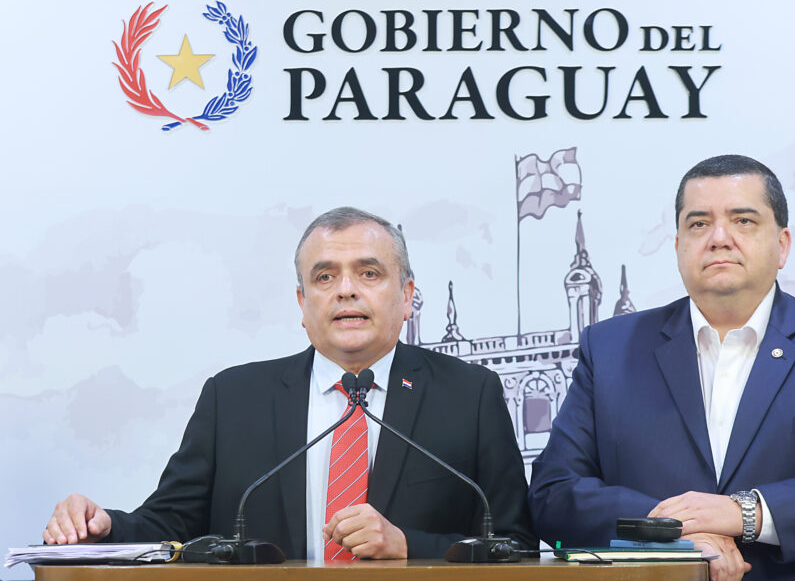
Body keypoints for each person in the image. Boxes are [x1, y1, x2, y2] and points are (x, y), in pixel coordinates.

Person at [43, 207, 535, 560]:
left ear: (407, 297)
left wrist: (410, 547)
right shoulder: (233, 399)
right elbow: (170, 526)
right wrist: (103, 527)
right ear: (302, 304)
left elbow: (516, 546)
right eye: (325, 277)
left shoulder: (470, 396)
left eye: (369, 272)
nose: (346, 289)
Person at [528, 155, 795, 581]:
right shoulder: (610, 349)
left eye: (743, 220)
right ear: (677, 246)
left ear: (782, 245)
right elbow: (553, 495)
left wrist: (746, 513)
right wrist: (670, 531)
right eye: (698, 224)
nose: (719, 238)